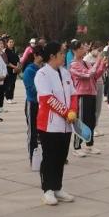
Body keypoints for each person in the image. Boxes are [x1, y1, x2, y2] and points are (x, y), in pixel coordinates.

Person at [35, 42, 77, 206]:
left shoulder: (65, 73)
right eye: (61, 53)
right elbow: (47, 99)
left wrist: (73, 110)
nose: (64, 56)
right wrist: (66, 112)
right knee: (50, 158)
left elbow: (73, 94)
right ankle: (47, 190)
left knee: (61, 157)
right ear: (52, 56)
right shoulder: (42, 74)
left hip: (67, 124)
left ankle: (57, 187)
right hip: (49, 125)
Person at [69, 41, 106, 157]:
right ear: (75, 50)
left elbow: (95, 75)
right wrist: (99, 61)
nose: (83, 49)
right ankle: (77, 146)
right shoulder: (73, 64)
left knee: (91, 120)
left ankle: (89, 145)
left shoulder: (86, 63)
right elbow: (88, 74)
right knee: (81, 121)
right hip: (82, 95)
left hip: (91, 93)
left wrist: (103, 65)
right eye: (80, 48)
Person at [22, 46, 43, 164]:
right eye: (41, 55)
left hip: (42, 104)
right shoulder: (30, 70)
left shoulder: (43, 68)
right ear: (35, 55)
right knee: (32, 132)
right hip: (32, 103)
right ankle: (32, 157)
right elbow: (31, 89)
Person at [84, 42, 106, 136]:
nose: (99, 52)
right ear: (93, 48)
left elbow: (101, 71)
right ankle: (91, 128)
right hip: (92, 84)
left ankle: (95, 126)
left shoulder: (99, 58)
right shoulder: (86, 59)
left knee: (98, 107)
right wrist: (98, 62)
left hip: (100, 82)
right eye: (98, 49)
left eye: (100, 50)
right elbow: (90, 73)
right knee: (92, 108)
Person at [4, 38, 20, 104]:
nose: (11, 43)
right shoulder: (6, 51)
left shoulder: (14, 51)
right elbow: (7, 62)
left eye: (12, 42)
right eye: (10, 42)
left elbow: (18, 60)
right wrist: (14, 67)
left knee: (13, 84)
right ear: (7, 43)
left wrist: (18, 66)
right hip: (9, 70)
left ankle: (11, 97)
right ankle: (8, 97)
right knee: (9, 84)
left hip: (15, 71)